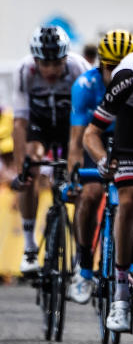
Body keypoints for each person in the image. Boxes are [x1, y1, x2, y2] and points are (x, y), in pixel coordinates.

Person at [82, 43, 133, 331]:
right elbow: (90, 133)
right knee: (129, 198)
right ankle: (120, 293)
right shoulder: (125, 81)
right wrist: (103, 159)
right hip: (131, 122)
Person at [67, 30, 133, 304]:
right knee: (91, 193)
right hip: (94, 138)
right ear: (102, 66)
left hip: (126, 139)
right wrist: (75, 177)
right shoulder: (85, 85)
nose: (119, 73)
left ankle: (131, 259)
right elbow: (77, 140)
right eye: (112, 68)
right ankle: (84, 267)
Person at [12, 25, 90, 275]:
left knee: (80, 186)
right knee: (30, 167)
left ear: (66, 57)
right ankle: (30, 247)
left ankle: (81, 254)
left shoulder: (79, 68)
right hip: (40, 125)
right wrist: (21, 169)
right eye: (44, 63)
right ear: (35, 60)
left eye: (56, 63)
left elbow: (89, 118)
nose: (50, 70)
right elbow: (20, 123)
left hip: (72, 126)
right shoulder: (24, 71)